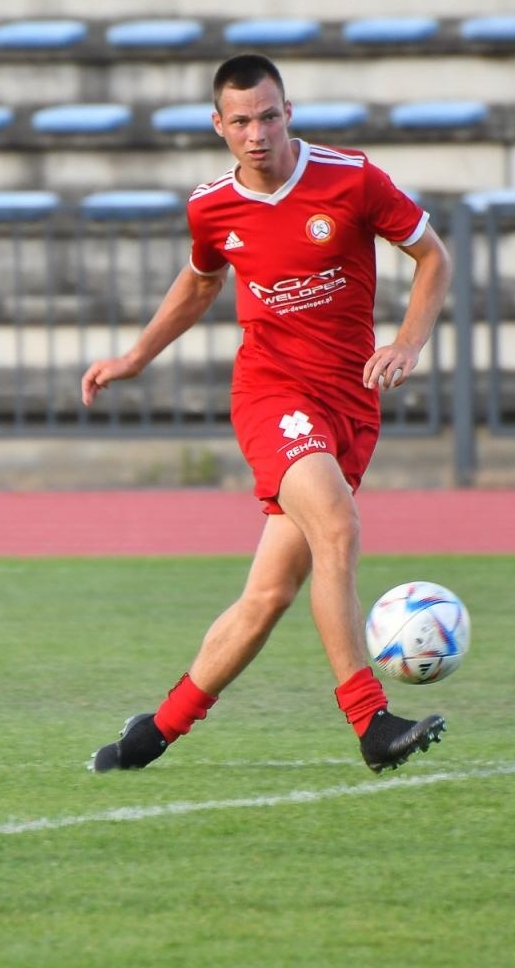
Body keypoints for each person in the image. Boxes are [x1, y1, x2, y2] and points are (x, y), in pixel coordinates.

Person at [82, 54, 453, 775]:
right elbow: (200, 284)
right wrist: (135, 357)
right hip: (272, 394)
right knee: (338, 527)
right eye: (242, 121)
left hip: (351, 403)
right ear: (218, 126)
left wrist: (407, 343)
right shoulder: (211, 207)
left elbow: (432, 257)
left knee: (269, 594)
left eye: (269, 116)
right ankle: (371, 722)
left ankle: (152, 733)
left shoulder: (351, 179)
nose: (257, 134)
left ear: (290, 114)